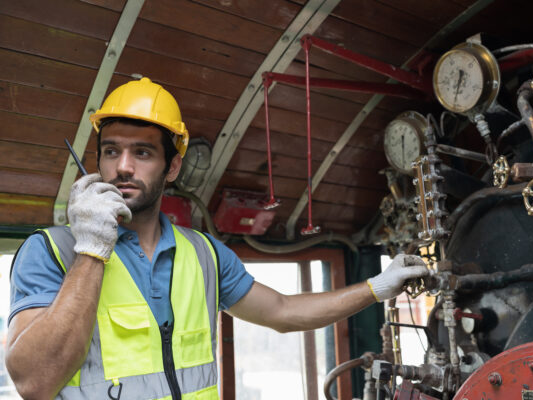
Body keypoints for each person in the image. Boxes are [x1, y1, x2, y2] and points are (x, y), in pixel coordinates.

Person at [5, 77, 430, 399]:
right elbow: (35, 381)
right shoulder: (52, 251)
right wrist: (92, 249)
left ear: (172, 169)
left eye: (144, 152)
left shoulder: (204, 254)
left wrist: (376, 288)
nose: (124, 167)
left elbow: (282, 311)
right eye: (112, 151)